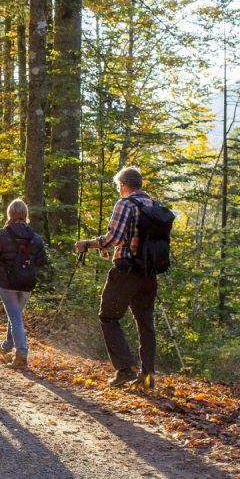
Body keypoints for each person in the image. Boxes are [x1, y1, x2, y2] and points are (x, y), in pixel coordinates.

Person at [75, 166, 157, 389]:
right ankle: (148, 375)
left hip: (126, 271)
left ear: (123, 185)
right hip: (149, 273)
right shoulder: (154, 205)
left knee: (108, 317)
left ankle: (125, 369)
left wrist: (88, 244)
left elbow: (113, 237)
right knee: (145, 323)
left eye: (118, 186)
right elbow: (134, 237)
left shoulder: (125, 203)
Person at [0, 199, 47, 370]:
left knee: (15, 317)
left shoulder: (1, 235)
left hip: (7, 283)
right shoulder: (35, 238)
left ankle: (21, 353)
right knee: (15, 315)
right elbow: (42, 262)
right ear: (26, 215)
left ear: (9, 214)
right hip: (27, 284)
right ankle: (7, 345)